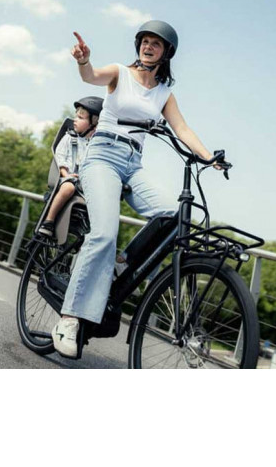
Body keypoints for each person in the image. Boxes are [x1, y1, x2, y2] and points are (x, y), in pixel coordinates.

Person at [52, 20, 222, 358]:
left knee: (173, 216)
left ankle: (121, 261)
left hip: (133, 163)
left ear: (166, 53)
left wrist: (209, 157)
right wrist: (84, 60)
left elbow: (182, 128)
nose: (148, 46)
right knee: (103, 233)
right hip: (102, 156)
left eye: (156, 44)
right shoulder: (120, 73)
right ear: (138, 46)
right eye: (144, 41)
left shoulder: (163, 93)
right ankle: (69, 319)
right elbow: (91, 77)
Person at [38, 97, 103, 237]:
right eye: (76, 116)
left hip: (85, 185)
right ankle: (48, 221)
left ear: (94, 123)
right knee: (69, 187)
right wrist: (66, 175)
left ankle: (89, 235)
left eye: (80, 117)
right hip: (66, 179)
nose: (75, 119)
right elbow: (60, 158)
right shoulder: (69, 138)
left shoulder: (96, 145)